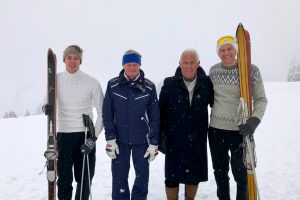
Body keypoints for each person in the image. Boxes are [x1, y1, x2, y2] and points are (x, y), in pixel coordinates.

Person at [208, 36, 268, 200]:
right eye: (222, 50)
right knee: (220, 173)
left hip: (240, 131)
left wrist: (255, 120)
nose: (226, 53)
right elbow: (207, 96)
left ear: (236, 50)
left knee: (241, 174)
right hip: (215, 131)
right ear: (218, 53)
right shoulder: (213, 71)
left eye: (229, 49)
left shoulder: (251, 70)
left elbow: (261, 99)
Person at [43, 45, 104, 200]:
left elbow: (103, 113)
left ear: (80, 61)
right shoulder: (55, 80)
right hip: (63, 136)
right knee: (64, 180)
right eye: (69, 57)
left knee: (84, 180)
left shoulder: (92, 82)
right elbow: (47, 101)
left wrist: (93, 138)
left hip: (84, 136)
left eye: (76, 58)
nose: (72, 61)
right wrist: (46, 107)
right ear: (64, 59)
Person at [102, 50, 160, 200]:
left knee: (142, 178)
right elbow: (107, 114)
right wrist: (110, 139)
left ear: (140, 65)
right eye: (129, 64)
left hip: (142, 141)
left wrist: (153, 143)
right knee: (119, 178)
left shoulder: (149, 87)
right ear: (123, 65)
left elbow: (155, 117)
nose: (132, 68)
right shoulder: (113, 85)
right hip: (119, 141)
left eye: (135, 64)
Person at [159, 49, 214, 200]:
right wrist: (161, 136)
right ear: (179, 64)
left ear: (198, 64)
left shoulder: (207, 83)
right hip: (174, 138)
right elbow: (161, 111)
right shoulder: (169, 83)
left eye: (192, 62)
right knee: (172, 176)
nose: (188, 66)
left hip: (197, 138)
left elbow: (218, 104)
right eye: (185, 62)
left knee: (193, 175)